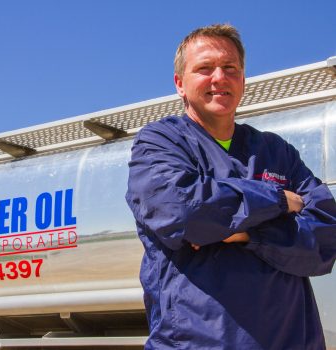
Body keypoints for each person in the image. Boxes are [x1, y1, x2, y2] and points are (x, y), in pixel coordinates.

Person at [125, 24, 336, 349]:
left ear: (242, 80)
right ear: (180, 84)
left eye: (230, 68)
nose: (219, 77)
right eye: (205, 68)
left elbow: (326, 240)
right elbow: (185, 212)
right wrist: (277, 200)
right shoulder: (160, 143)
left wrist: (249, 233)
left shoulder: (277, 152)